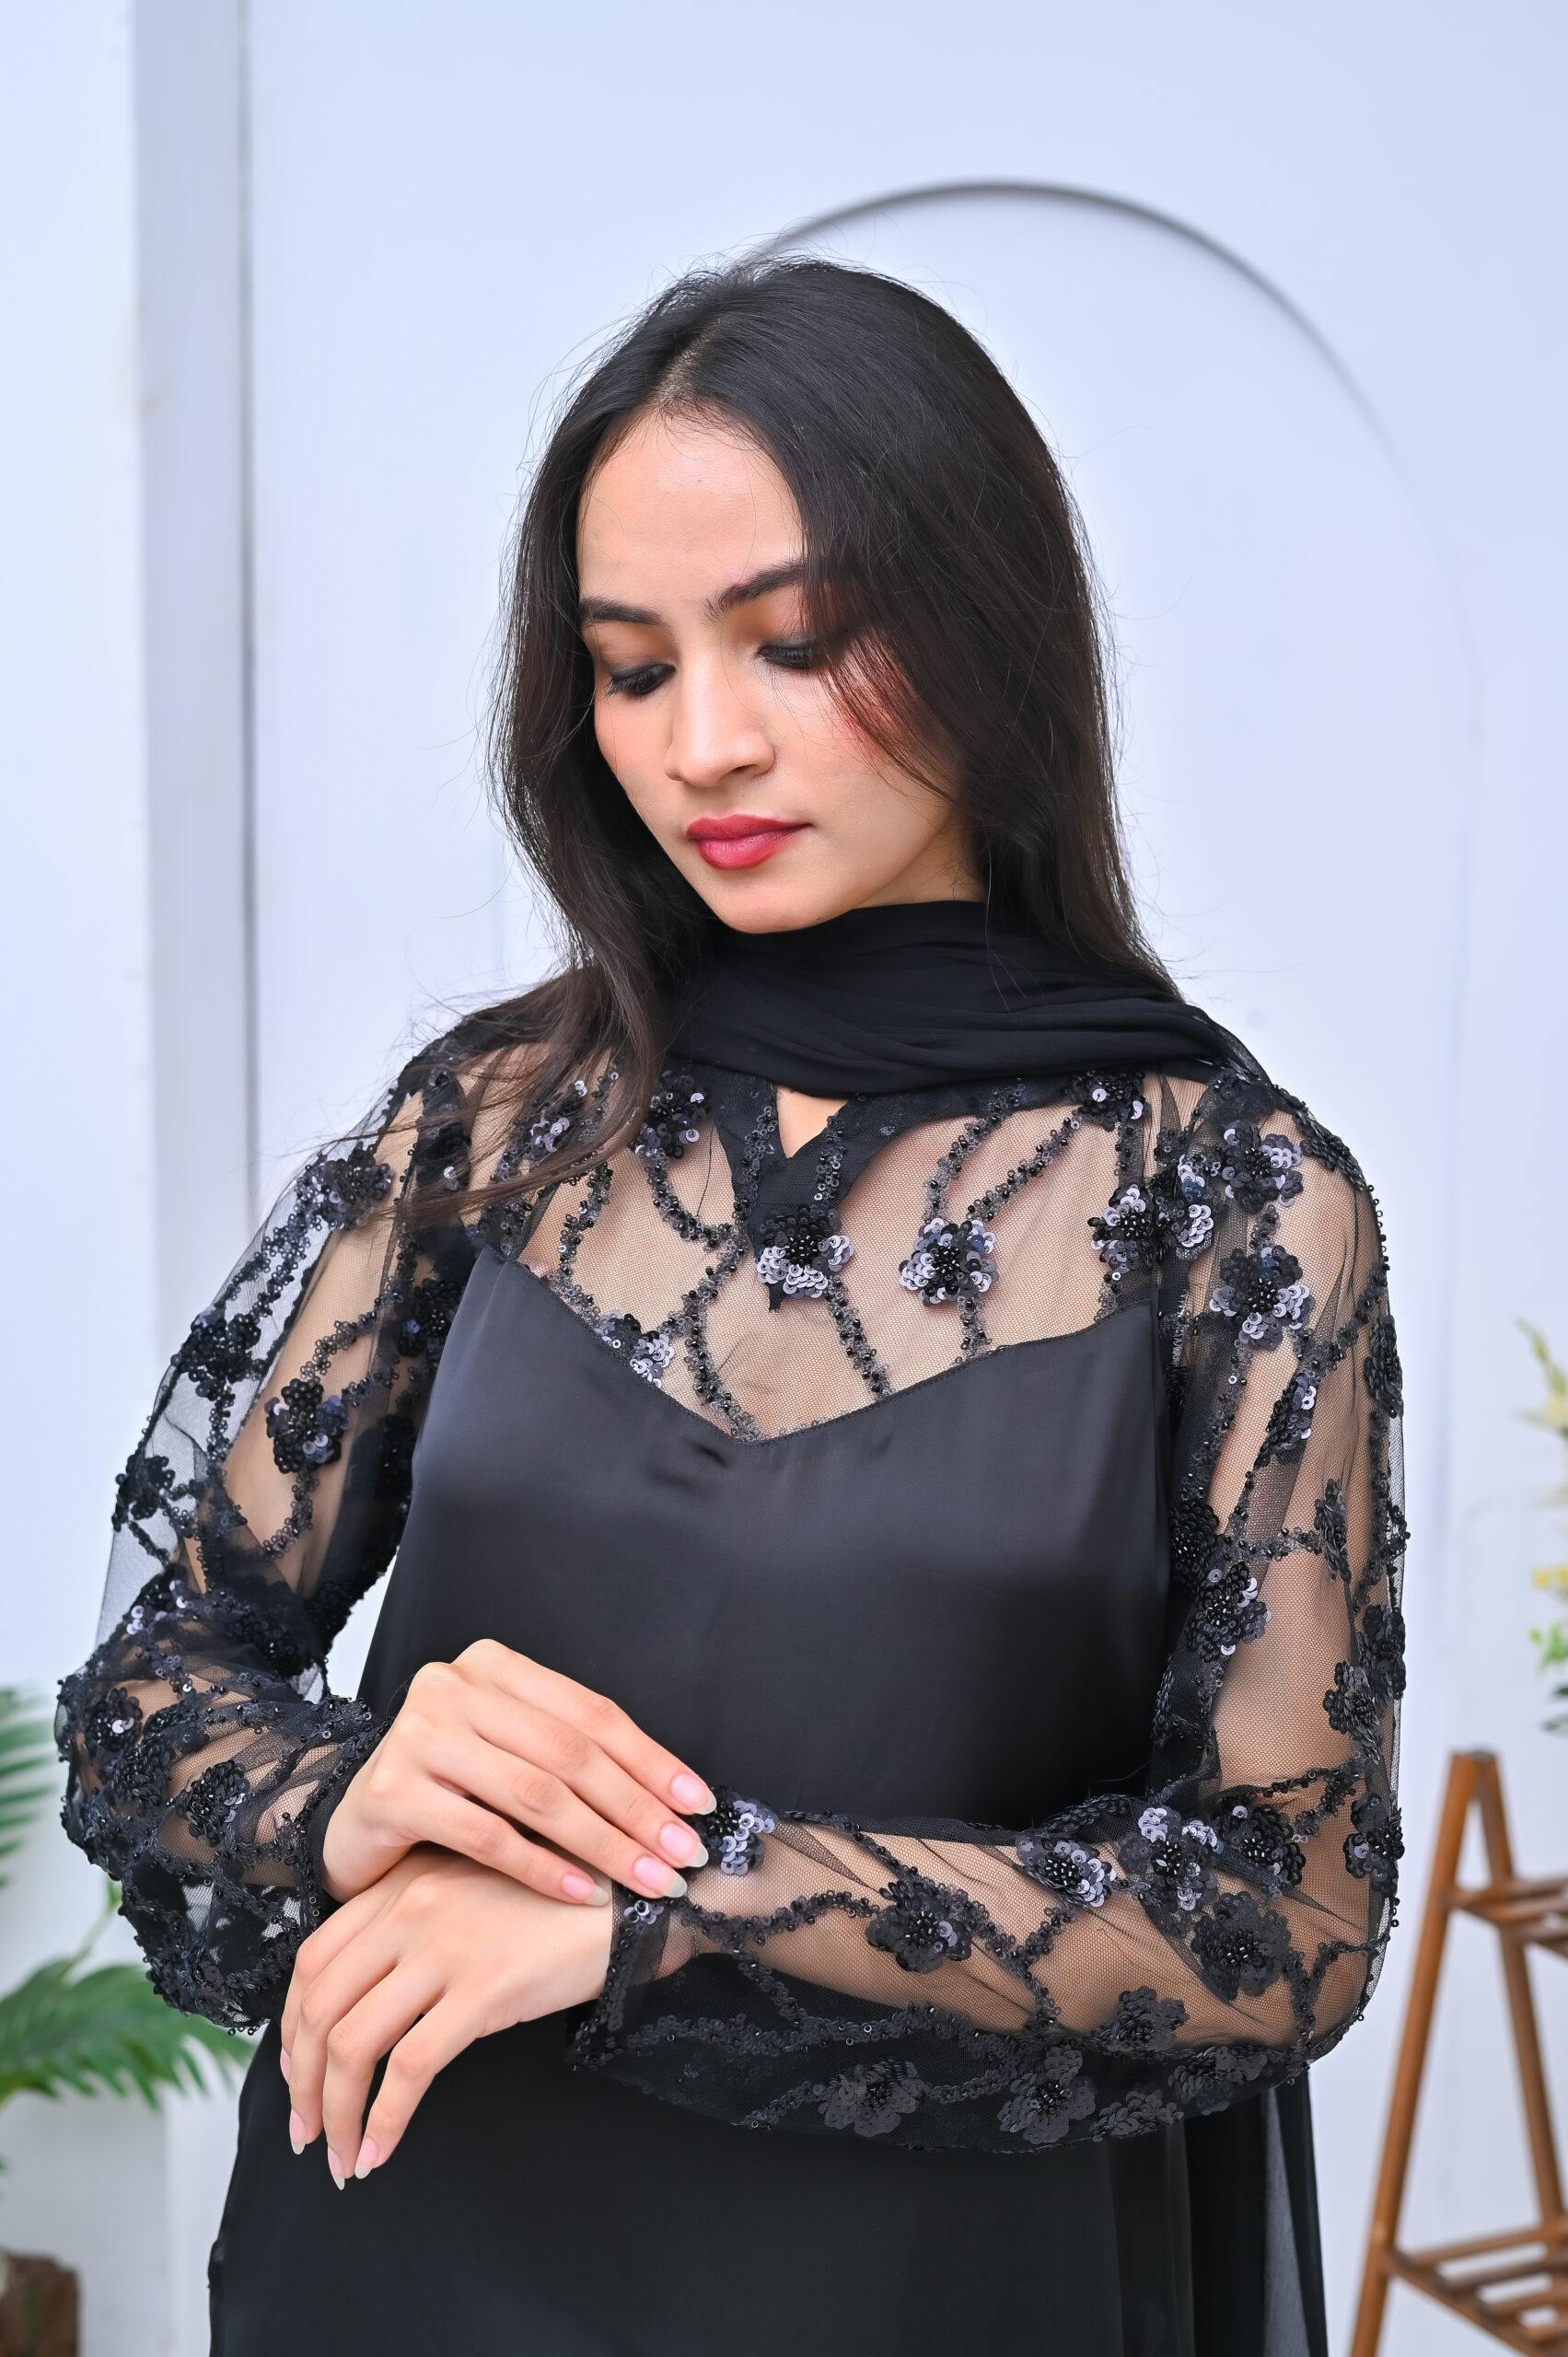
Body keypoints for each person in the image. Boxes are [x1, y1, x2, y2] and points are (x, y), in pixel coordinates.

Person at [58, 260, 1403, 2357]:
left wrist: (675, 1900)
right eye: (629, 665)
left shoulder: (1235, 1209)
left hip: (940, 2298)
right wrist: (347, 1792)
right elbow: (152, 1688)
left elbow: (1281, 1915)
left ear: (987, 621)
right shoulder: (496, 1123)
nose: (701, 744)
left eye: (798, 640)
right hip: (410, 2251)